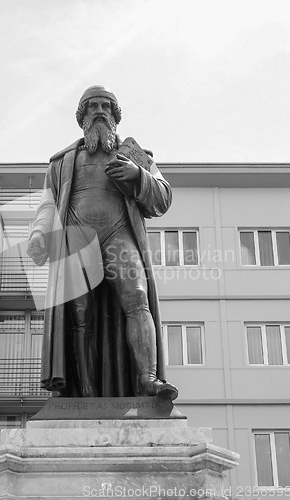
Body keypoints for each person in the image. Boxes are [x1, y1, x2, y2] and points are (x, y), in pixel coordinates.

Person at [27, 85, 178, 400]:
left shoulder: (135, 155)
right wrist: (39, 233)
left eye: (106, 106)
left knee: (137, 298)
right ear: (82, 117)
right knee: (81, 316)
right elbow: (48, 204)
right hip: (77, 238)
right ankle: (86, 390)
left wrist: (138, 176)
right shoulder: (62, 162)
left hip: (119, 234)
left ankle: (148, 379)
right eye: (92, 106)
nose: (99, 111)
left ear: (115, 116)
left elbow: (163, 198)